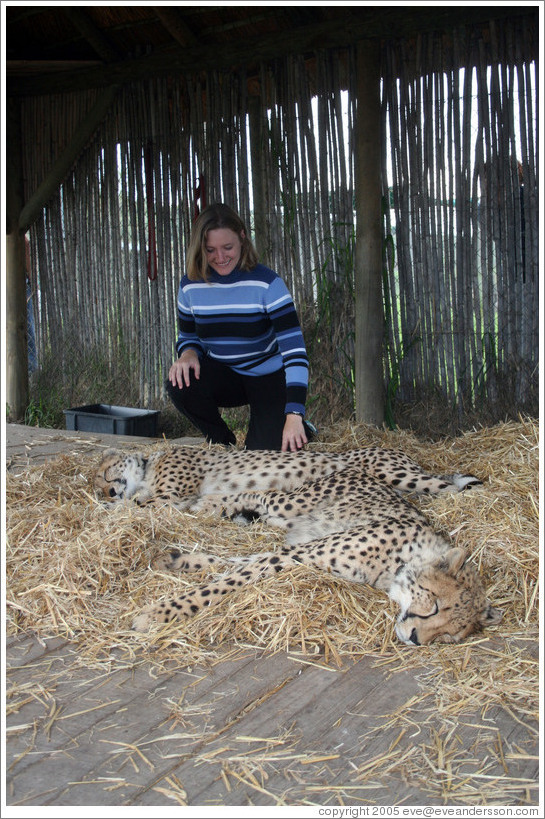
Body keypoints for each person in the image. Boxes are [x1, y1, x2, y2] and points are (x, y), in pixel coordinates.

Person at [166, 203, 314, 452]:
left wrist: (294, 413)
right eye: (210, 250)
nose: (220, 258)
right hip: (225, 374)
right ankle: (222, 443)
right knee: (179, 381)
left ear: (242, 238)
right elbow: (188, 336)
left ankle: (299, 427)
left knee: (263, 457)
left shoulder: (268, 284)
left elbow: (295, 353)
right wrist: (188, 353)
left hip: (268, 376)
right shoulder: (189, 286)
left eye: (228, 248)